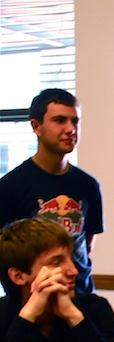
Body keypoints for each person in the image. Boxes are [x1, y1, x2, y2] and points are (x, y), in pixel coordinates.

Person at [0, 88, 104, 294]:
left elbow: (87, 244)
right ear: (36, 126)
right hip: (33, 302)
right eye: (59, 120)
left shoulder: (88, 185)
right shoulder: (10, 186)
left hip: (81, 297)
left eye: (75, 121)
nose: (70, 129)